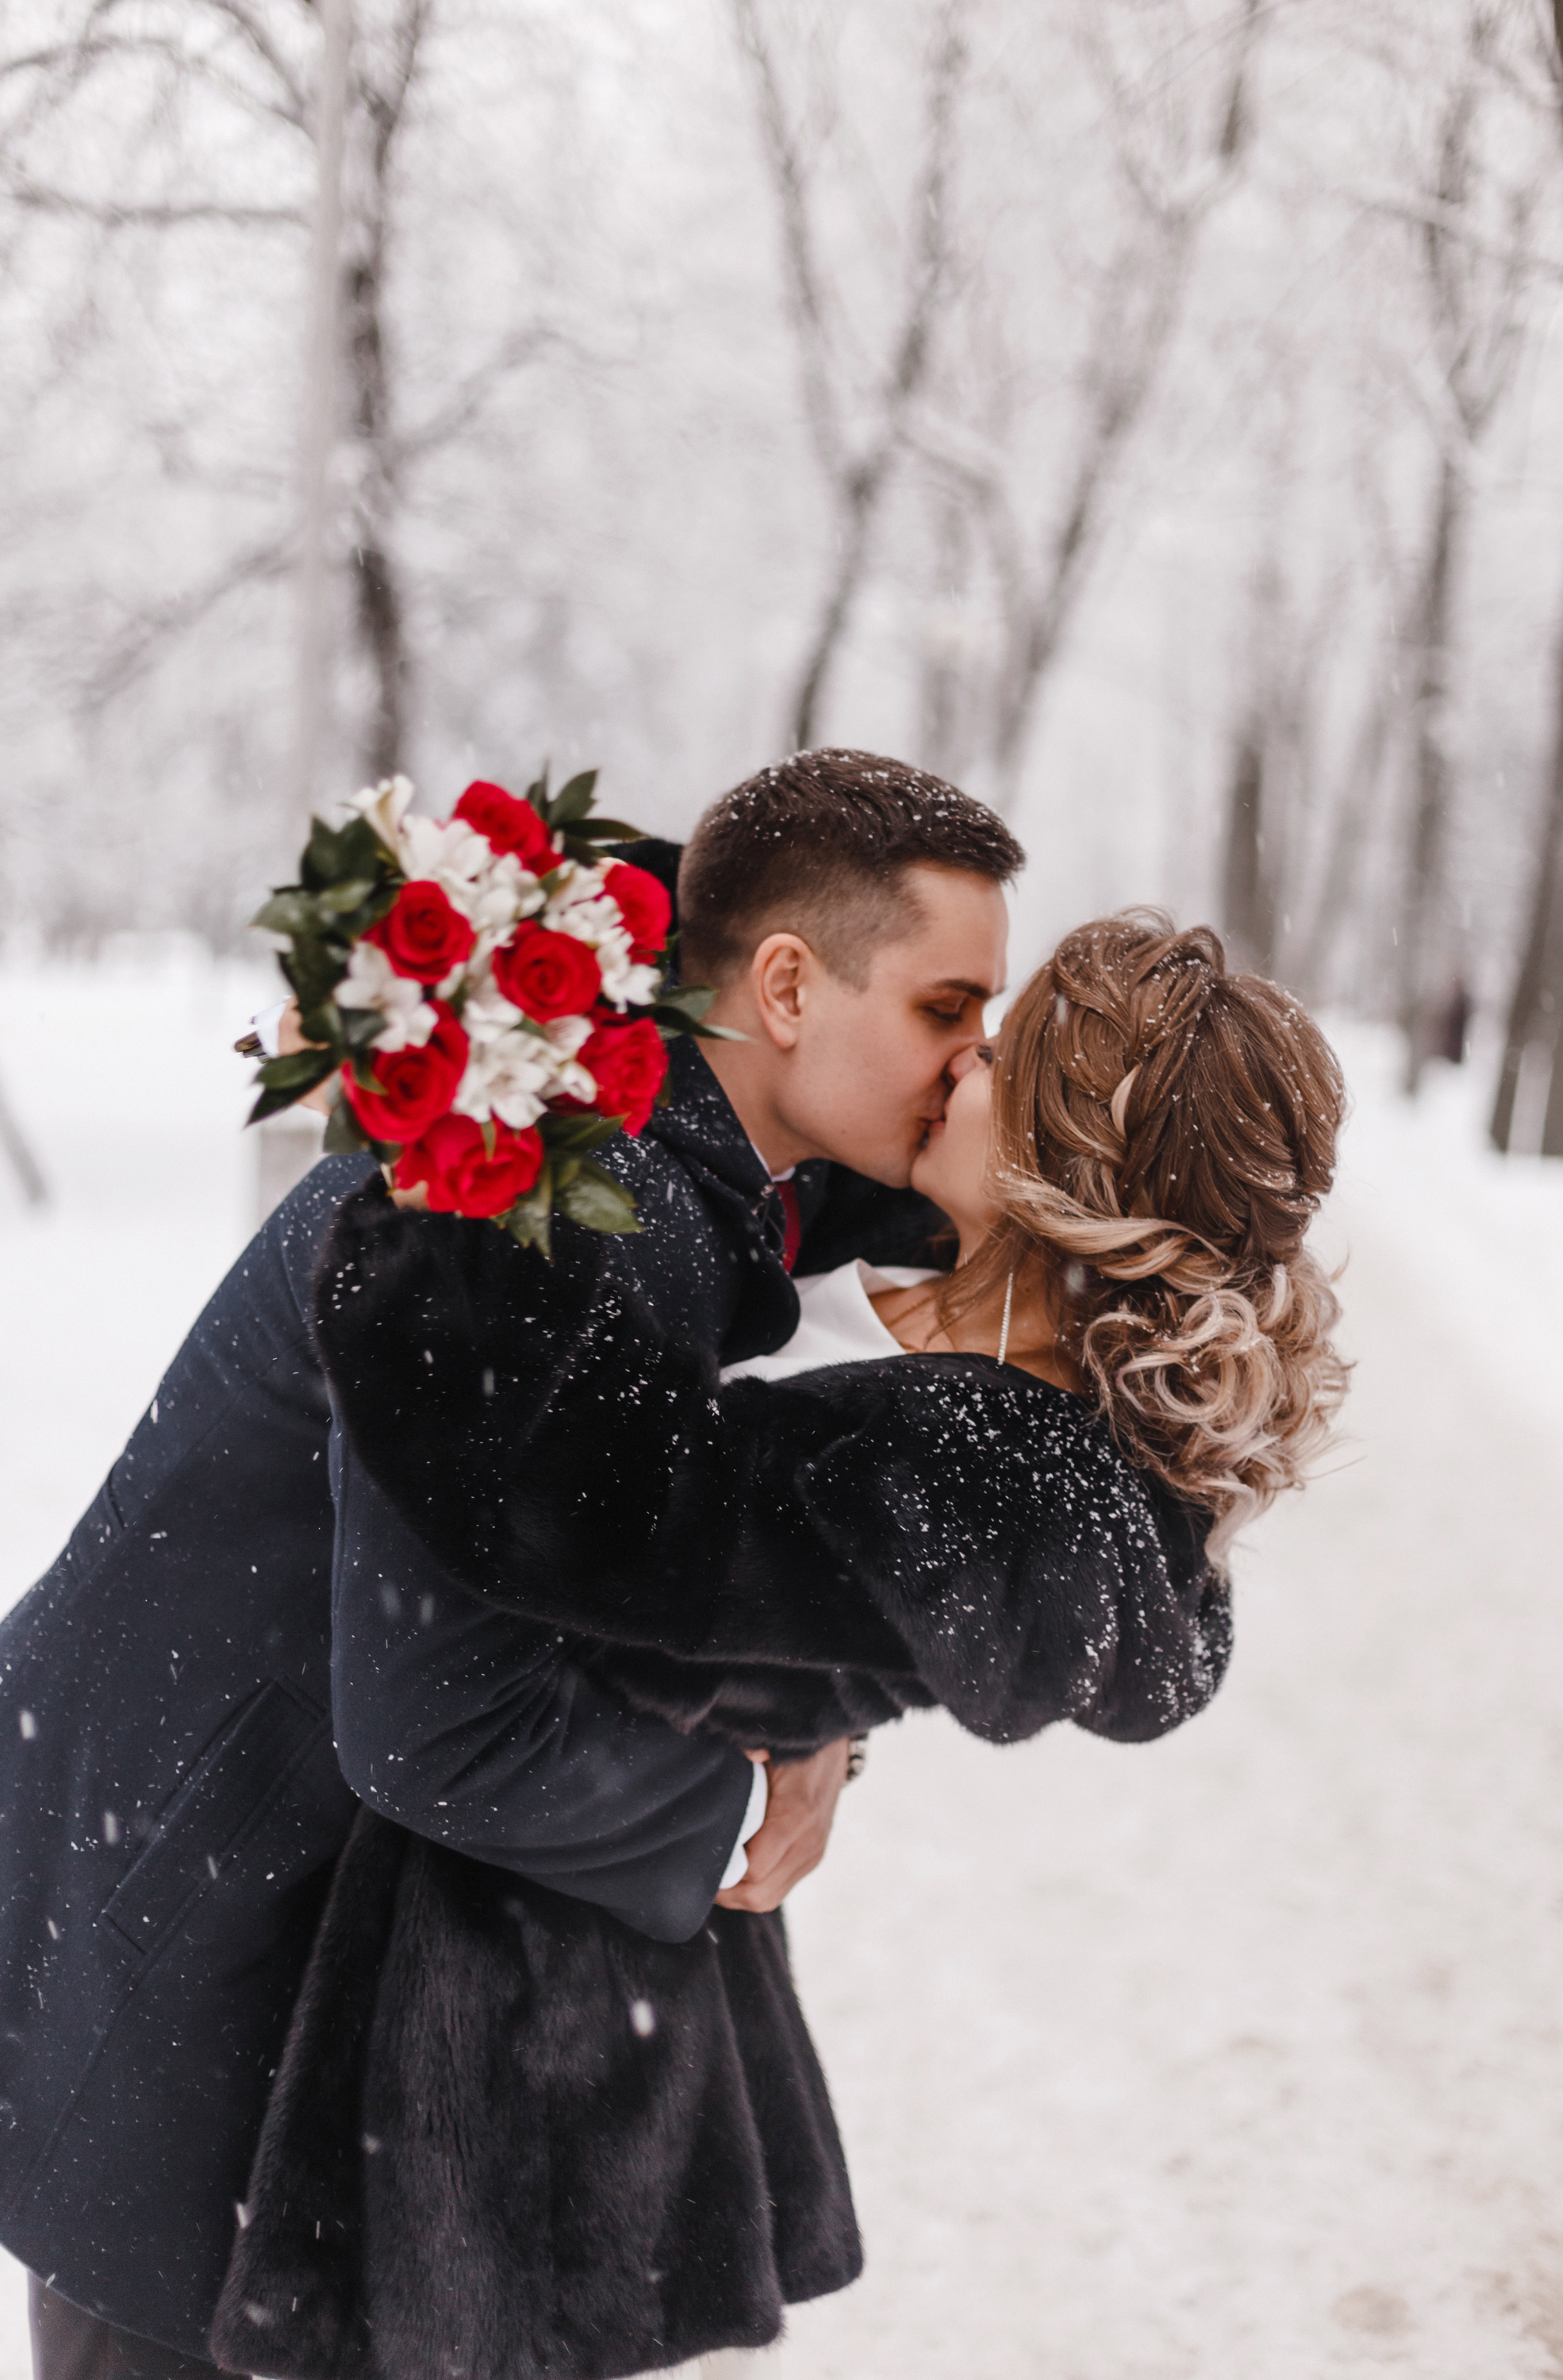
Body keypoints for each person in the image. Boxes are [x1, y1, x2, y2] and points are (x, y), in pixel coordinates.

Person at [0, 750, 1023, 2380]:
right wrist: (747, 1799)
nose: (975, 1060)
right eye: (944, 1010)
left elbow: (673, 1547)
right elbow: (444, 1727)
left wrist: (821, 1721)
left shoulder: (628, 1149)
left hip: (176, 1861)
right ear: (781, 986)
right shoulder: (560, 1206)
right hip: (185, 1924)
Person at [231, 912, 1347, 2380]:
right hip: (584, 1984)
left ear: (1058, 1166)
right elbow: (778, 1617)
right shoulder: (1032, 1426)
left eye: (997, 1053)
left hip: (519, 2041)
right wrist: (818, 1722)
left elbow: (571, 1491)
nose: (959, 1061)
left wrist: (430, 1163)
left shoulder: (977, 1454)